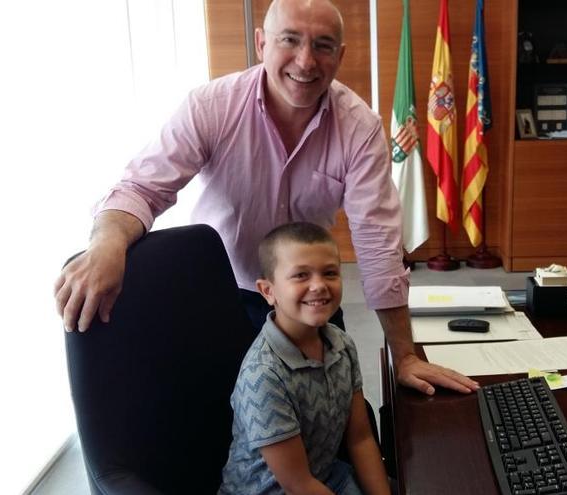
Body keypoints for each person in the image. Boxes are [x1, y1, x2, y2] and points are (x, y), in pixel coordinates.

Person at [53, 0, 477, 396]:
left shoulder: (358, 127)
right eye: (289, 40)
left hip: (307, 299)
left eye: (322, 45)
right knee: (226, 427)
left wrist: (404, 355)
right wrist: (107, 243)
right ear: (261, 43)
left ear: (340, 55)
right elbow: (140, 187)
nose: (306, 61)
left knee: (342, 424)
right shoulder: (211, 107)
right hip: (224, 296)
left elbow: (377, 245)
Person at [218, 222, 388, 495]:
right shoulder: (263, 375)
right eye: (301, 276)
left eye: (330, 272)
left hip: (327, 476)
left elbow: (361, 439)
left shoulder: (341, 344)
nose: (319, 285)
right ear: (268, 291)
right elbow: (298, 485)